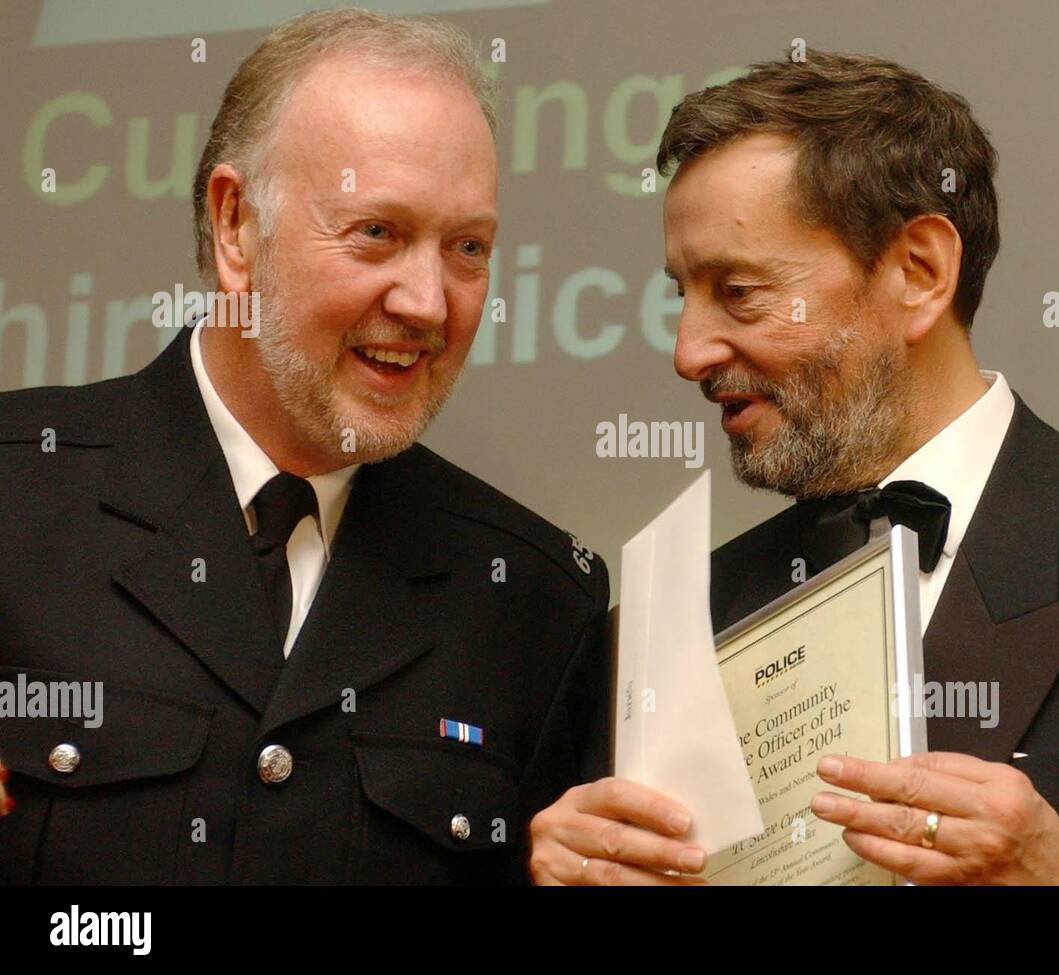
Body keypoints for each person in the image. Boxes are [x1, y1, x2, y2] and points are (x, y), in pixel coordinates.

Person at [529, 51, 1059, 885]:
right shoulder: (657, 635)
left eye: (741, 291)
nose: (688, 352)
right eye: (681, 293)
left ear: (920, 272)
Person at [0, 9, 607, 885]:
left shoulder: (537, 601)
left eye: (468, 247)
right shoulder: (20, 492)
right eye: (378, 233)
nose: (429, 303)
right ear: (237, 224)